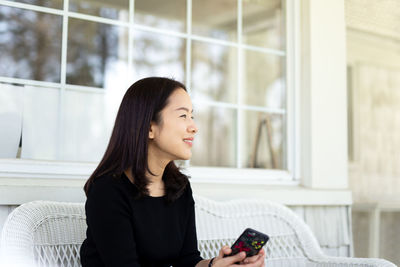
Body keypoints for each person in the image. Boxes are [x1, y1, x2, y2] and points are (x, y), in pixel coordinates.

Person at [79, 77, 266, 267]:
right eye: (183, 116)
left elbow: (187, 260)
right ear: (149, 128)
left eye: (192, 116)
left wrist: (214, 265)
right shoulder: (107, 191)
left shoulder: (179, 188)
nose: (194, 127)